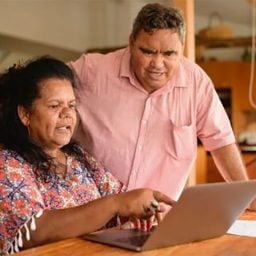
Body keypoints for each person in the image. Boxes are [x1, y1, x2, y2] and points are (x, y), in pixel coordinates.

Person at [69, 3, 253, 204]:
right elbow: (40, 94)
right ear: (131, 43)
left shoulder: (196, 82)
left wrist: (247, 199)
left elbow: (221, 141)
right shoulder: (90, 71)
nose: (157, 64)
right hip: (91, 215)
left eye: (168, 54)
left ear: (181, 48)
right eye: (147, 52)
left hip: (157, 220)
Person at [0, 56, 173, 255]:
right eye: (54, 106)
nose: (67, 114)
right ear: (25, 114)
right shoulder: (8, 163)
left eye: (71, 105)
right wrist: (116, 204)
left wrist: (139, 209)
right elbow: (34, 231)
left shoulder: (78, 158)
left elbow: (121, 201)